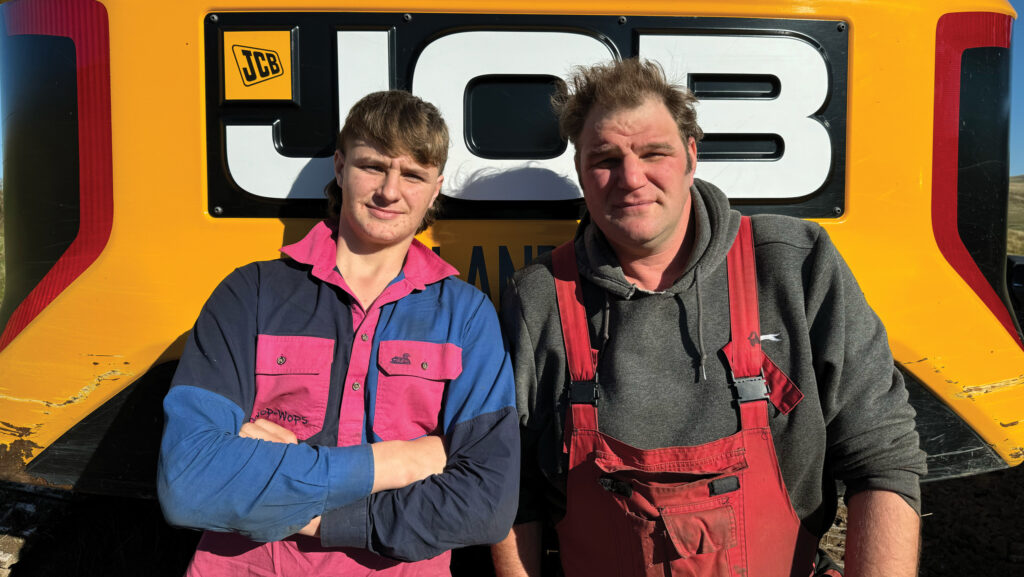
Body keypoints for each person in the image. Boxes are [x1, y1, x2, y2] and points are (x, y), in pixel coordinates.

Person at [490, 59, 925, 577]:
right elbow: (513, 489)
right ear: (581, 173)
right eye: (605, 159)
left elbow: (882, 457)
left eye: (654, 153)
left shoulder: (794, 264)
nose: (631, 178)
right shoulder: (538, 297)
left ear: (691, 157)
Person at [158, 90, 519, 576]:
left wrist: (308, 511)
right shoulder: (252, 293)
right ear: (340, 167)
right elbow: (190, 483)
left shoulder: (466, 314)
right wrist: (396, 463)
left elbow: (485, 504)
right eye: (373, 167)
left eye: (412, 175)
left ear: (435, 190)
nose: (390, 191)